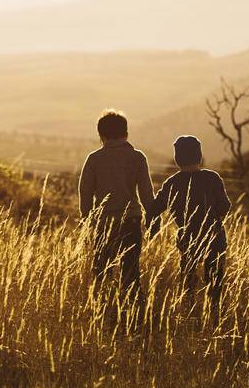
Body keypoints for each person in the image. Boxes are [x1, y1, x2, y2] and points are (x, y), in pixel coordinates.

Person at [78, 109, 154, 322]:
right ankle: (135, 320)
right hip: (131, 222)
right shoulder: (138, 158)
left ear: (101, 135)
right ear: (126, 134)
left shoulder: (94, 159)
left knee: (101, 273)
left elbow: (85, 193)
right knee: (131, 273)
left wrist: (87, 221)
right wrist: (152, 218)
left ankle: (102, 317)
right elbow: (147, 194)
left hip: (104, 224)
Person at [149, 134, 231, 321]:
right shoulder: (212, 178)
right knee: (215, 280)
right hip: (214, 237)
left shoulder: (172, 183)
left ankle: (189, 315)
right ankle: (215, 316)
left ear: (177, 159)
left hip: (188, 238)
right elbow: (225, 207)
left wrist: (152, 227)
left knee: (188, 278)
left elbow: (154, 208)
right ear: (199, 156)